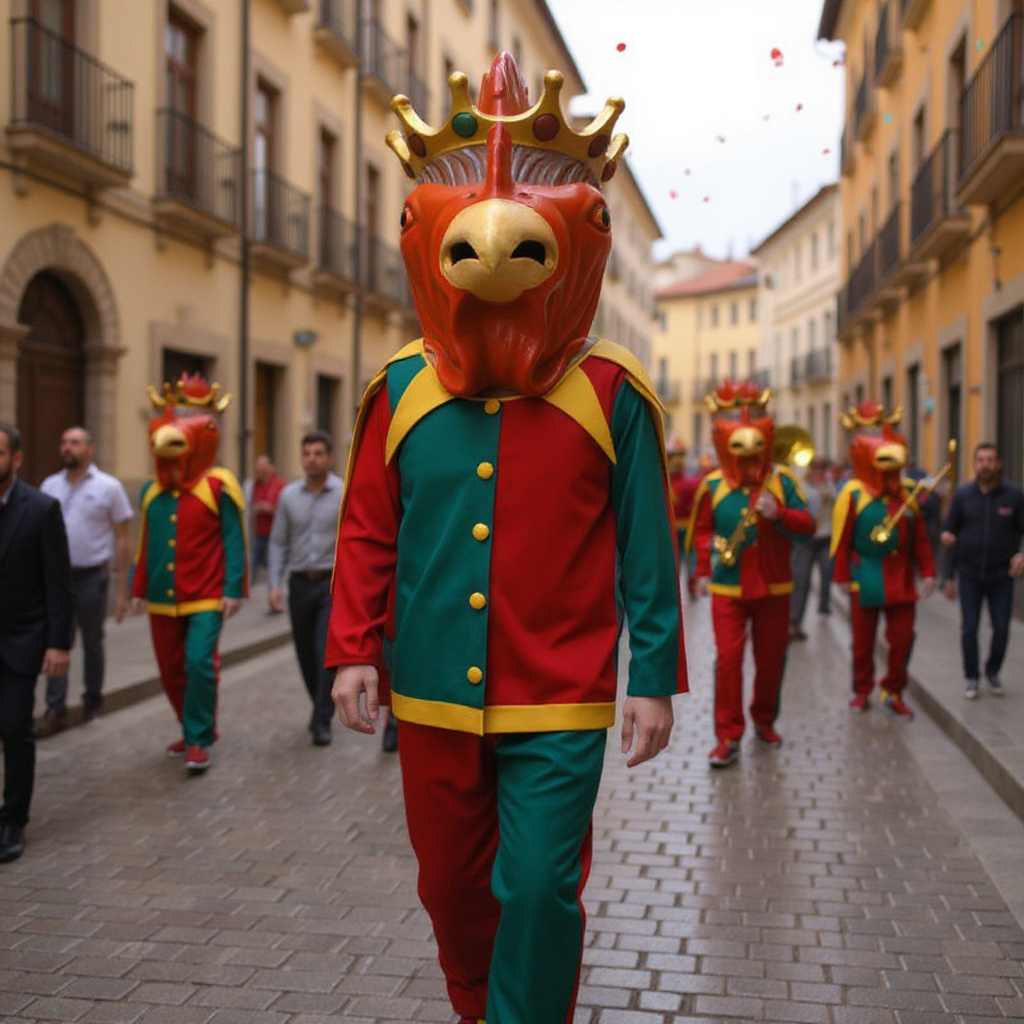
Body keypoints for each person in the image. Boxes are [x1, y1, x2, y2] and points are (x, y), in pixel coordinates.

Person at [326, 53, 687, 1024]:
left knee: (535, 891)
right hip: (432, 688)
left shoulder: (613, 395)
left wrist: (651, 674)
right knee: (449, 891)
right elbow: (366, 531)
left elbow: (648, 551)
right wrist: (353, 648)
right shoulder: (397, 391)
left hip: (560, 693)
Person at [688, 382, 813, 768]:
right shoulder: (711, 485)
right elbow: (701, 530)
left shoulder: (785, 481)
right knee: (728, 661)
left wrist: (781, 514)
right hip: (729, 586)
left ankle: (764, 720)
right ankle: (727, 735)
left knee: (772, 660)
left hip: (774, 586)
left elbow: (808, 526)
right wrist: (705, 565)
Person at [130, 376, 247, 773]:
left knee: (198, 662)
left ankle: (198, 738)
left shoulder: (219, 485)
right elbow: (144, 544)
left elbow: (234, 541)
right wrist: (137, 587)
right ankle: (191, 725)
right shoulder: (151, 491)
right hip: (163, 598)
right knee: (170, 669)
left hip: (206, 595)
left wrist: (234, 589)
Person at [831, 402, 935, 719]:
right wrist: (842, 576)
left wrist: (928, 571)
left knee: (902, 640)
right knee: (862, 643)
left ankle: (893, 689)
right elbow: (842, 538)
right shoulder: (852, 493)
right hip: (865, 576)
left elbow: (919, 538)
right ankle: (862, 690)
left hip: (901, 578)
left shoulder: (907, 493)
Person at [0, 422, 72, 863]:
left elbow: (58, 584)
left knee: (13, 727)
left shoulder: (41, 509)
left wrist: (58, 643)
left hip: (21, 639)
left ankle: (12, 821)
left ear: (16, 458)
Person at [36, 426, 133, 735]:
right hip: (57, 580)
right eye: (64, 442)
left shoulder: (109, 487)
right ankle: (55, 708)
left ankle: (92, 701)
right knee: (56, 641)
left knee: (92, 642)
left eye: (75, 443)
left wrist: (122, 590)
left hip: (93, 577)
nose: (67, 447)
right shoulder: (49, 486)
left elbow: (121, 538)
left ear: (90, 449)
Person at [268, 431, 343, 746]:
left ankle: (321, 720)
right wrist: (274, 584)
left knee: (322, 652)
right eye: (307, 453)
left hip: (330, 585)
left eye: (317, 453)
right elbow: (277, 541)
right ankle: (320, 705)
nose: (311, 458)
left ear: (329, 458)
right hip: (299, 583)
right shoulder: (288, 496)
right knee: (303, 654)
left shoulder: (343, 492)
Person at [940, 442, 1024, 699]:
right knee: (969, 627)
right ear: (975, 464)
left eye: (990, 460)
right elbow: (949, 532)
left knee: (1001, 628)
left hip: (1001, 575)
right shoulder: (964, 495)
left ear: (998, 464)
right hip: (969, 574)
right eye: (980, 460)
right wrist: (948, 576)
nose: (985, 464)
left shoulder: (1014, 494)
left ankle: (992, 670)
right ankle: (972, 677)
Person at [789, 455, 835, 639]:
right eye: (815, 468)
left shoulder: (829, 485)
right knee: (801, 581)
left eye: (821, 468)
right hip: (805, 539)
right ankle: (794, 622)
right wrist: (817, 495)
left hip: (824, 537)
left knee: (826, 573)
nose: (818, 472)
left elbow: (837, 502)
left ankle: (824, 605)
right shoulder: (802, 485)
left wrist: (828, 494)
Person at [243, 454, 284, 589]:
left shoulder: (279, 485)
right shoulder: (253, 485)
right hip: (258, 532)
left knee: (273, 563)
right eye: (257, 468)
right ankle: (250, 587)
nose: (258, 471)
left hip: (274, 533)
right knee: (254, 561)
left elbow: (283, 510)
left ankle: (274, 588)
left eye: (262, 468)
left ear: (269, 468)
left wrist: (269, 509)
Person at [668, 443, 700, 598]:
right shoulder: (664, 481)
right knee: (675, 561)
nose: (676, 461)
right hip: (671, 527)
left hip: (687, 527)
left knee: (690, 558)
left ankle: (692, 586)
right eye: (673, 457)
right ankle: (674, 589)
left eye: (678, 457)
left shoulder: (690, 482)